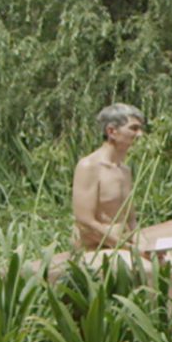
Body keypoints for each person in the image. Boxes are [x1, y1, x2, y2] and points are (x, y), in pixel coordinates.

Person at [72, 103, 143, 253]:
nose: (140, 134)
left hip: (124, 246)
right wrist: (128, 248)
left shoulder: (125, 171)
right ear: (112, 131)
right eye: (133, 128)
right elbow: (85, 222)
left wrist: (144, 247)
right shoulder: (89, 167)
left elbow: (131, 221)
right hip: (96, 250)